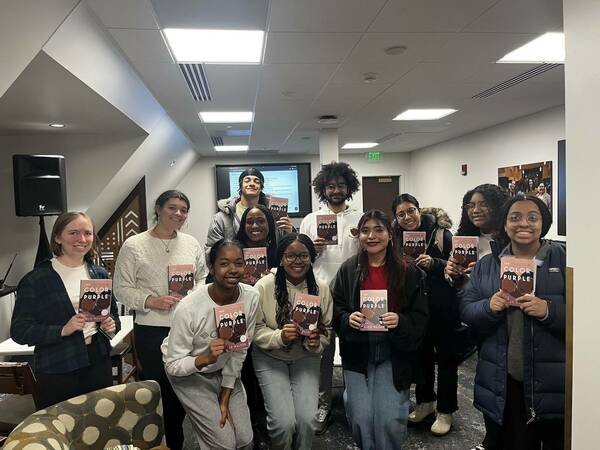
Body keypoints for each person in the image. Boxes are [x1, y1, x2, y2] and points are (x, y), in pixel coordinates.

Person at [461, 194, 565, 450]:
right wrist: (489, 306)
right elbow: (465, 310)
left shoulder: (564, 259)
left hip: (554, 383)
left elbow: (589, 315)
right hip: (505, 381)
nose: (524, 224)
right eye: (515, 217)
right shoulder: (487, 265)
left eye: (533, 217)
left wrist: (549, 311)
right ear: (505, 224)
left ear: (544, 222)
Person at [113, 190, 207, 450]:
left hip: (188, 329)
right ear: (158, 209)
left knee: (188, 388)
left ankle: (185, 438)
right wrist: (150, 300)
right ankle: (166, 442)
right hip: (152, 329)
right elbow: (121, 288)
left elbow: (202, 277)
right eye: (172, 208)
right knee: (160, 390)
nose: (178, 214)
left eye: (184, 210)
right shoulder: (134, 245)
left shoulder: (191, 243)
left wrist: (194, 296)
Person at [332, 209, 428, 450]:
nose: (371, 236)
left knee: (389, 419)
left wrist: (401, 321)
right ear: (359, 236)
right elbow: (336, 309)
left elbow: (421, 316)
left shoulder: (408, 271)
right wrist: (346, 319)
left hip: (394, 356)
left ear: (390, 235)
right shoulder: (348, 269)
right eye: (365, 231)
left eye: (378, 230)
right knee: (360, 418)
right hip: (357, 354)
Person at [11, 212, 120, 408]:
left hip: (98, 359)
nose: (82, 239)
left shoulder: (99, 273)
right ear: (57, 237)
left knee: (100, 421)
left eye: (88, 233)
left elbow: (114, 317)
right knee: (63, 425)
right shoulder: (35, 279)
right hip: (58, 365)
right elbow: (19, 331)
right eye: (73, 233)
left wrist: (110, 324)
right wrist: (62, 330)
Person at [163, 239, 259, 450]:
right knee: (224, 444)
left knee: (245, 440)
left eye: (239, 263)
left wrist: (225, 394)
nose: (233, 270)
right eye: (224, 263)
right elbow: (173, 365)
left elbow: (240, 350)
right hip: (189, 373)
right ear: (211, 267)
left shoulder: (251, 297)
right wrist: (203, 359)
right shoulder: (189, 307)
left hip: (224, 369)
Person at [252, 233, 333, 450]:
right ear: (280, 258)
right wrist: (279, 336)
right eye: (290, 256)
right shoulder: (264, 286)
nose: (298, 261)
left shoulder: (322, 288)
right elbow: (256, 329)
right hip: (270, 357)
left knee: (308, 420)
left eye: (304, 256)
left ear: (311, 257)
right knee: (283, 424)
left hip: (305, 357)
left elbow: (327, 328)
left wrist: (318, 341)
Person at [298, 161, 362, 433]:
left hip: (352, 294)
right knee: (320, 352)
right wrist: (312, 249)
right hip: (319, 293)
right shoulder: (311, 219)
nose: (336, 190)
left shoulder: (360, 218)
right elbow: (298, 258)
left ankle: (354, 402)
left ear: (349, 188)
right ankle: (321, 404)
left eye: (341, 185)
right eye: (330, 186)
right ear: (323, 189)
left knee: (353, 349)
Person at [444, 183, 509, 450]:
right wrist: (452, 272)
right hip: (479, 318)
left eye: (483, 204)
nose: (476, 210)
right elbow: (458, 288)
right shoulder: (465, 240)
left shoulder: (511, 240)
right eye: (471, 205)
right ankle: (491, 439)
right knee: (489, 383)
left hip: (508, 320)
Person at [391, 194, 459, 436]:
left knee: (447, 359)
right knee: (421, 357)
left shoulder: (442, 234)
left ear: (419, 210)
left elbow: (458, 266)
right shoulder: (394, 239)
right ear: (396, 219)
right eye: (401, 214)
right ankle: (425, 402)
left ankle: (446, 409)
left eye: (411, 211)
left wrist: (436, 264)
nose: (407, 217)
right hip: (415, 307)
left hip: (443, 306)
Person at [206, 168, 293, 255]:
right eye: (247, 181)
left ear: (261, 188)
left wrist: (290, 233)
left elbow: (287, 246)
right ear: (240, 186)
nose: (252, 184)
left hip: (271, 265)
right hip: (235, 266)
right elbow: (212, 251)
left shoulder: (275, 213)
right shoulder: (221, 218)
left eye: (256, 181)